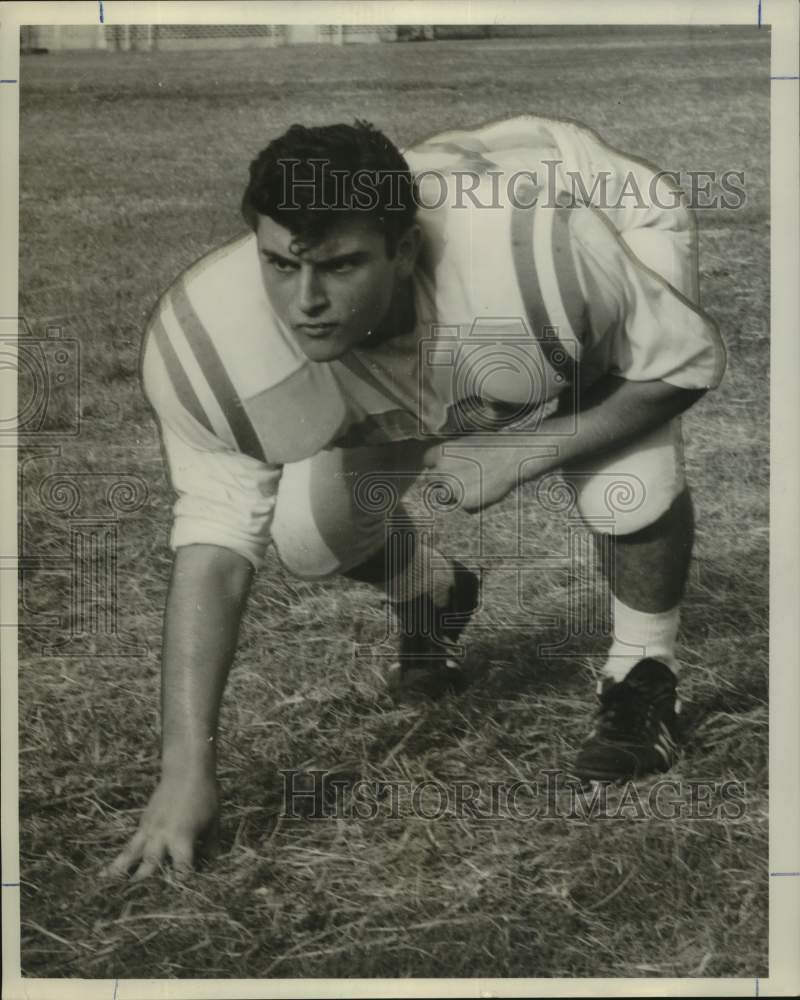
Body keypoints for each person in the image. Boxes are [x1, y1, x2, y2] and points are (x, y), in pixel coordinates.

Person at [105, 116, 725, 880]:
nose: (304, 302)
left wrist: (523, 449)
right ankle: (435, 592)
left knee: (626, 487)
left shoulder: (543, 262)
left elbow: (682, 366)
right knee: (311, 539)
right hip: (438, 316)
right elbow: (215, 550)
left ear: (403, 249)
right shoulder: (212, 335)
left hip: (592, 209)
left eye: (339, 265)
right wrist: (184, 772)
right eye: (278, 264)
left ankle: (642, 674)